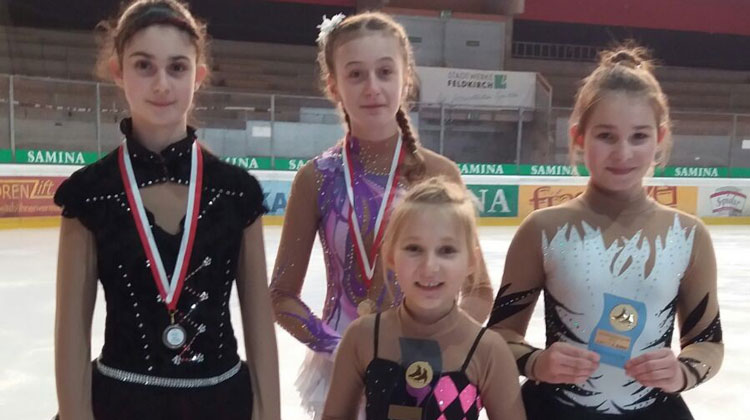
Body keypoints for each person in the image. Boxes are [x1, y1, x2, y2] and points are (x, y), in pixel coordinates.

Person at [53, 1, 279, 419]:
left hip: (221, 404)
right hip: (120, 405)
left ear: (199, 76)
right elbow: (70, 335)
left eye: (177, 67)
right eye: (144, 66)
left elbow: (260, 327)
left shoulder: (236, 192)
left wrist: (270, 413)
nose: (161, 84)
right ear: (118, 71)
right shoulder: (91, 194)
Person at [269, 11, 494, 419]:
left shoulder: (439, 173)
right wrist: (342, 348)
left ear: (406, 78)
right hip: (341, 370)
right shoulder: (316, 178)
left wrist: (441, 342)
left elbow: (478, 289)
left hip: (427, 368)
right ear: (333, 85)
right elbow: (281, 296)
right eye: (356, 74)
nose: (372, 87)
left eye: (385, 72)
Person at [487, 45, 723, 420]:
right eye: (606, 136)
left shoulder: (688, 236)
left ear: (660, 138)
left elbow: (708, 343)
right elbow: (500, 335)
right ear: (579, 137)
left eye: (639, 136)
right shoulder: (543, 230)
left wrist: (683, 372)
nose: (623, 153)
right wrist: (537, 362)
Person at [323, 177, 526, 420]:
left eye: (447, 251)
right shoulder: (361, 337)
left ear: (472, 262)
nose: (429, 267)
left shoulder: (489, 351)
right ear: (390, 256)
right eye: (414, 249)